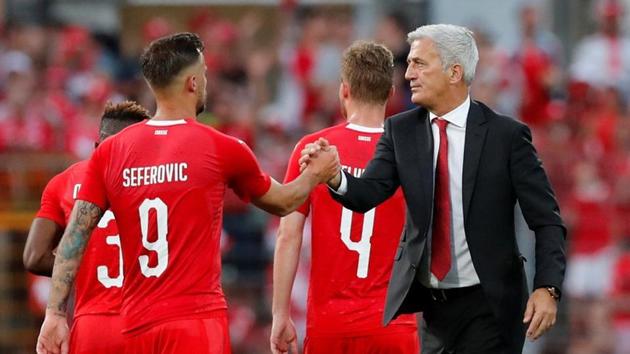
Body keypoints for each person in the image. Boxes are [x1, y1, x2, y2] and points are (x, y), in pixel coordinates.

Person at [36, 32, 339, 354]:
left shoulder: (110, 152)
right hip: (196, 322)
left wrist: (55, 313)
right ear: (192, 83)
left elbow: (75, 236)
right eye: (205, 73)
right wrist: (315, 175)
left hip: (137, 326)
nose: (207, 81)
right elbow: (283, 202)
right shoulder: (221, 147)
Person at [302, 24, 566, 353]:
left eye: (419, 64)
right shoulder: (401, 131)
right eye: (409, 63)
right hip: (432, 310)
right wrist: (334, 175)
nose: (407, 73)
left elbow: (547, 219)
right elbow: (367, 193)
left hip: (489, 305)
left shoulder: (506, 137)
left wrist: (547, 286)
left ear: (454, 72)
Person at [270, 41, 419, 354]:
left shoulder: (313, 150)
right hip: (393, 325)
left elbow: (288, 235)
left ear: (344, 90)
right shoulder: (413, 154)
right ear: (391, 94)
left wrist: (280, 314)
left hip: (330, 325)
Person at [24, 101, 150, 353]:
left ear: (96, 147)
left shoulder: (65, 182)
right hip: (149, 321)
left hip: (94, 324)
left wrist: (78, 266)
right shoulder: (164, 181)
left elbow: (34, 257)